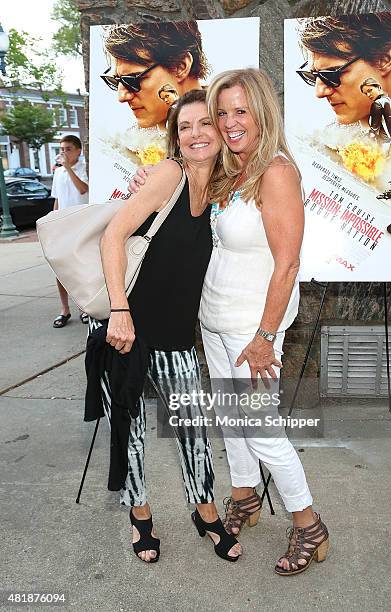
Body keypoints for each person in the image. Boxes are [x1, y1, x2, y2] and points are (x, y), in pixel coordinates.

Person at [130, 70, 329, 576]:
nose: (228, 122)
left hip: (250, 329)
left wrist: (265, 337)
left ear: (262, 112)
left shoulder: (276, 172)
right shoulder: (229, 168)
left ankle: (308, 523)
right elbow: (180, 193)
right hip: (214, 320)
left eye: (240, 111)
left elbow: (287, 263)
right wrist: (144, 181)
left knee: (261, 431)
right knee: (233, 424)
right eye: (223, 112)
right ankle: (244, 498)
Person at [91, 89, 241, 564]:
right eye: (184, 127)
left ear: (221, 130)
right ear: (175, 139)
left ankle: (206, 512)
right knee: (129, 431)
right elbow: (114, 235)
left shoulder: (221, 188)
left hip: (177, 338)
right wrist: (119, 310)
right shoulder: (170, 174)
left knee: (193, 429)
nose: (195, 134)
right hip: (126, 333)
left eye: (204, 124)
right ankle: (140, 516)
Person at [297, 12, 391, 132]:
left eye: (331, 75)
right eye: (314, 76)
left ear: (384, 60)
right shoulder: (330, 139)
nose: (319, 92)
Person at [101, 22, 210, 130]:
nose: (122, 97)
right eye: (115, 81)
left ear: (181, 67)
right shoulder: (130, 142)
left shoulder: (223, 130)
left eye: (132, 80)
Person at [51, 135, 89, 328]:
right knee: (60, 270)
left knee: (80, 269)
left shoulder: (84, 169)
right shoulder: (58, 173)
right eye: (62, 149)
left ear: (78, 151)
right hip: (62, 226)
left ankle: (84, 308)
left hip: (81, 225)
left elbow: (83, 190)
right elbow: (57, 200)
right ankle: (64, 309)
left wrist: (67, 168)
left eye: (68, 149)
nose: (63, 153)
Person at [360, 77, 391, 142]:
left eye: (370, 90)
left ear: (379, 87)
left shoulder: (377, 104)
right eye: (366, 93)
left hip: (385, 145)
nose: (368, 95)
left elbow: (373, 132)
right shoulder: (389, 101)